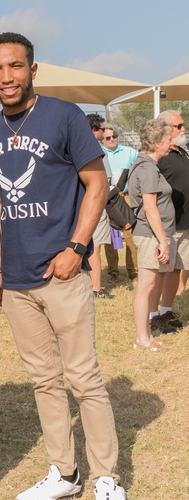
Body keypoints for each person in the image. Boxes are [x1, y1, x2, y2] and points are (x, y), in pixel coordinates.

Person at [0, 31, 128, 500]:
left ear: (33, 70)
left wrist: (77, 247)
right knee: (44, 380)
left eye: (16, 67)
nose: (7, 77)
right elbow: (1, 203)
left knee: (83, 378)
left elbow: (97, 183)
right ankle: (64, 474)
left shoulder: (63, 116)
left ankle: (106, 478)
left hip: (62, 272)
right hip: (18, 279)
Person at [127, 118, 176, 350]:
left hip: (152, 235)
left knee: (148, 284)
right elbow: (149, 207)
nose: (171, 142)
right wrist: (163, 240)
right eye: (168, 139)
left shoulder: (149, 165)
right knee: (145, 286)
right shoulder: (146, 168)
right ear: (157, 143)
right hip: (150, 236)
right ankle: (142, 338)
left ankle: (145, 335)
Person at [154, 110, 189, 329]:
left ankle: (166, 311)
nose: (183, 128)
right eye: (179, 126)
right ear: (166, 129)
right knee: (160, 272)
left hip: (185, 223)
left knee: (177, 269)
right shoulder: (159, 156)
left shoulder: (181, 151)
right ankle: (152, 315)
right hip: (169, 225)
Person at [101, 122, 139, 281]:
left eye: (114, 136)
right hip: (108, 199)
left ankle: (134, 271)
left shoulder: (130, 152)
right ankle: (113, 273)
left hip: (127, 197)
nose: (112, 139)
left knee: (131, 235)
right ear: (102, 140)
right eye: (107, 138)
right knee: (112, 236)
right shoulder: (99, 154)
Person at [86, 114, 115, 299]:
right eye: (103, 130)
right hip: (96, 204)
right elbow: (107, 179)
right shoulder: (96, 149)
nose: (105, 133)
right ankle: (96, 288)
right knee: (95, 247)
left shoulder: (74, 145)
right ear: (95, 130)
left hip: (80, 204)